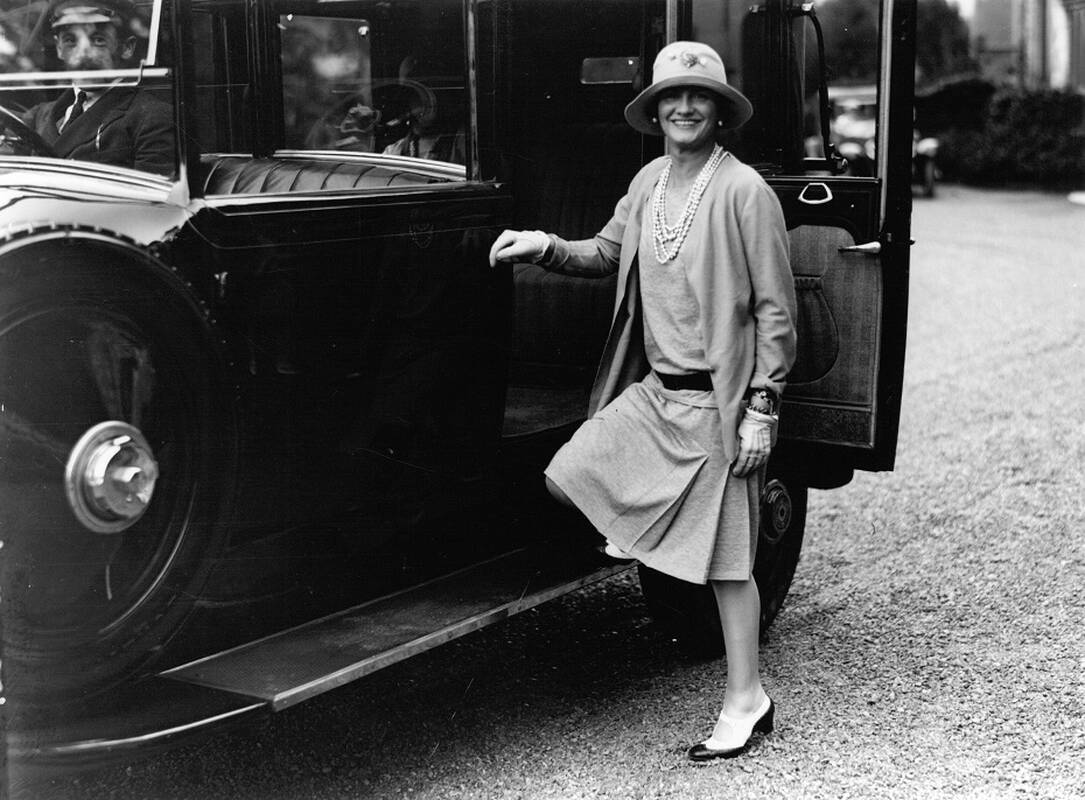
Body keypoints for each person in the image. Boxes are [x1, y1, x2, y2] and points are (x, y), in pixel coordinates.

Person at [489, 41, 796, 761]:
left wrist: (762, 407)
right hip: (657, 395)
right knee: (569, 473)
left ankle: (746, 700)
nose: (684, 108)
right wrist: (542, 244)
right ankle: (654, 536)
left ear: (719, 111)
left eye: (699, 97)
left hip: (719, 405)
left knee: (728, 569)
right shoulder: (649, 180)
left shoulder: (744, 190)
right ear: (654, 110)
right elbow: (605, 253)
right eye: (671, 97)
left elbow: (777, 312)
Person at [20, 0, 174, 175]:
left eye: (98, 40)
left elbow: (149, 191)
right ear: (59, 48)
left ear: (127, 47)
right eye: (70, 40)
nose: (83, 55)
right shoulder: (37, 116)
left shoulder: (152, 118)